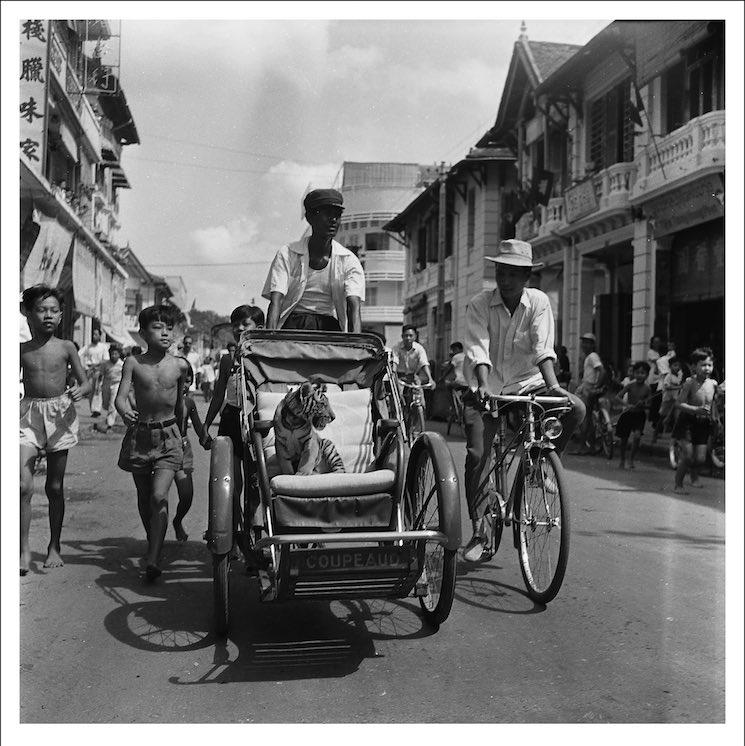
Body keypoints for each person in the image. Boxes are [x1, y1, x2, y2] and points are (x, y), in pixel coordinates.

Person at [461, 239, 585, 562]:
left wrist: (554, 386)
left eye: (514, 273)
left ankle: (540, 462)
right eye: (501, 271)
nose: (506, 279)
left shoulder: (539, 303)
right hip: (484, 387)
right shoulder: (479, 304)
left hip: (528, 385)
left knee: (576, 408)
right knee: (478, 454)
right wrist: (485, 386)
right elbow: (478, 348)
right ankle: (478, 526)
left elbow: (543, 346)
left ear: (527, 276)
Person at [114, 305, 191, 581]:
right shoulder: (133, 363)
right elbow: (120, 398)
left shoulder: (180, 365)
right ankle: (152, 542)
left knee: (159, 495)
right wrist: (124, 411)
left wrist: (183, 436)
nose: (166, 333)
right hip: (140, 436)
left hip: (169, 436)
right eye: (158, 327)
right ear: (143, 333)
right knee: (145, 497)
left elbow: (181, 405)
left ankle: (155, 557)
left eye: (169, 328)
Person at [20, 285, 90, 575]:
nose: (48, 315)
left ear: (61, 316)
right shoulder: (21, 349)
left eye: (53, 311)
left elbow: (86, 383)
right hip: (28, 416)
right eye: (41, 309)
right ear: (27, 313)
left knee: (55, 487)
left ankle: (54, 546)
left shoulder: (66, 347)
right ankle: (23, 551)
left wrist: (79, 390)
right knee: (22, 485)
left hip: (60, 414)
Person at [202, 305, 265, 540]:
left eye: (245, 324)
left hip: (256, 421)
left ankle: (256, 533)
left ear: (259, 328)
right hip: (231, 419)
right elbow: (218, 394)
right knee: (232, 483)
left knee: (255, 483)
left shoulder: (265, 356)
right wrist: (205, 425)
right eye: (235, 324)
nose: (239, 328)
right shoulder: (228, 359)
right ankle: (235, 534)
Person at [263, 188, 365, 332]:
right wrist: (269, 341)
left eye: (337, 215)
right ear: (310, 217)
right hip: (293, 325)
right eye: (327, 214)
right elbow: (276, 300)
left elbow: (354, 306)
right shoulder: (287, 254)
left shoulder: (349, 260)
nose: (333, 220)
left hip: (328, 327)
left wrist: (357, 348)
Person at [173, 361, 211, 543]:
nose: (184, 386)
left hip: (182, 449)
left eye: (188, 381)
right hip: (160, 449)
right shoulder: (160, 401)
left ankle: (177, 520)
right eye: (180, 381)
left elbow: (198, 428)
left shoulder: (189, 402)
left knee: (187, 495)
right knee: (157, 497)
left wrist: (209, 441)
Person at [672, 348, 718, 495]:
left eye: (709, 365)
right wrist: (695, 410)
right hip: (687, 422)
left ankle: (693, 475)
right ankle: (678, 484)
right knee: (687, 455)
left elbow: (713, 404)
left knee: (700, 458)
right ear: (693, 366)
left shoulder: (713, 384)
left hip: (703, 423)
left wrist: (716, 419)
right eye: (703, 365)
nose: (707, 368)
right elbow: (678, 403)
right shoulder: (689, 383)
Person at [614, 361, 652, 469]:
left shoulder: (647, 388)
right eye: (637, 372)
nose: (640, 375)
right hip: (627, 414)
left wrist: (644, 404)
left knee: (637, 436)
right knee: (624, 439)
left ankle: (631, 459)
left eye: (643, 373)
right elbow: (617, 397)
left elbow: (650, 404)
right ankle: (622, 459)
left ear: (647, 375)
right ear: (634, 373)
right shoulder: (630, 385)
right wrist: (626, 404)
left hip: (639, 415)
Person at [573, 332, 606, 454]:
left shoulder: (592, 356)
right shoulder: (589, 357)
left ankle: (582, 447)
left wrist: (596, 386)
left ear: (592, 345)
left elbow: (602, 371)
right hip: (587, 387)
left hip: (588, 388)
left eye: (587, 343)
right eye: (584, 342)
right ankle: (590, 447)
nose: (584, 345)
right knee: (589, 418)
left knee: (584, 418)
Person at [391, 324, 435, 408]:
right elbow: (395, 362)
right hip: (400, 378)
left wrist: (430, 379)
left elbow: (424, 363)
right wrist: (393, 375)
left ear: (415, 336)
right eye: (406, 335)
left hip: (413, 377)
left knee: (421, 400)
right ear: (402, 336)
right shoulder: (396, 348)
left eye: (410, 335)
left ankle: (420, 415)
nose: (408, 338)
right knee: (397, 399)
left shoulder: (419, 348)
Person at [79, 327, 110, 416]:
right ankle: (92, 409)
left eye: (96, 334)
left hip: (99, 370)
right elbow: (78, 354)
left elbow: (106, 359)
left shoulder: (103, 347)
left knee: (98, 389)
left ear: (100, 336)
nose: (94, 336)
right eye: (93, 334)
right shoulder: (88, 347)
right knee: (90, 391)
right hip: (89, 371)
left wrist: (96, 366)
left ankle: (97, 410)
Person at [652, 355, 684, 442]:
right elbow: (667, 387)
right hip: (667, 400)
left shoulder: (679, 376)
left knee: (677, 417)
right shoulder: (668, 376)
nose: (677, 368)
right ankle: (655, 434)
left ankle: (676, 436)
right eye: (675, 365)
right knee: (662, 417)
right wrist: (679, 387)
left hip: (675, 400)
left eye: (678, 366)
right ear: (670, 366)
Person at [95, 345, 124, 433]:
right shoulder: (105, 364)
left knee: (112, 403)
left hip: (117, 384)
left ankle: (110, 424)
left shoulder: (122, 364)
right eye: (112, 354)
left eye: (116, 354)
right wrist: (98, 386)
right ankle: (108, 417)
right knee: (106, 403)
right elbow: (100, 375)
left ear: (119, 354)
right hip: (106, 384)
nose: (114, 356)